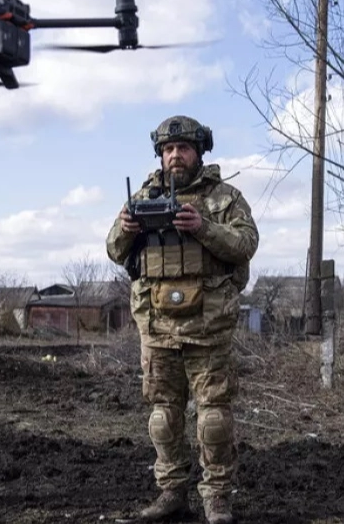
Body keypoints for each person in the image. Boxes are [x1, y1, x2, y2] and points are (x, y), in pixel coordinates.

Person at [105, 115, 259, 524]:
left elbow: (247, 243)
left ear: (199, 152)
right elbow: (115, 250)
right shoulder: (143, 197)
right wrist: (125, 228)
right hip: (157, 328)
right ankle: (171, 493)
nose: (175, 155)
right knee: (163, 417)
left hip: (208, 328)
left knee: (214, 418)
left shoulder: (224, 199)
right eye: (169, 149)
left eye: (184, 148)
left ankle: (217, 499)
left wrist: (203, 227)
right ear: (160, 154)